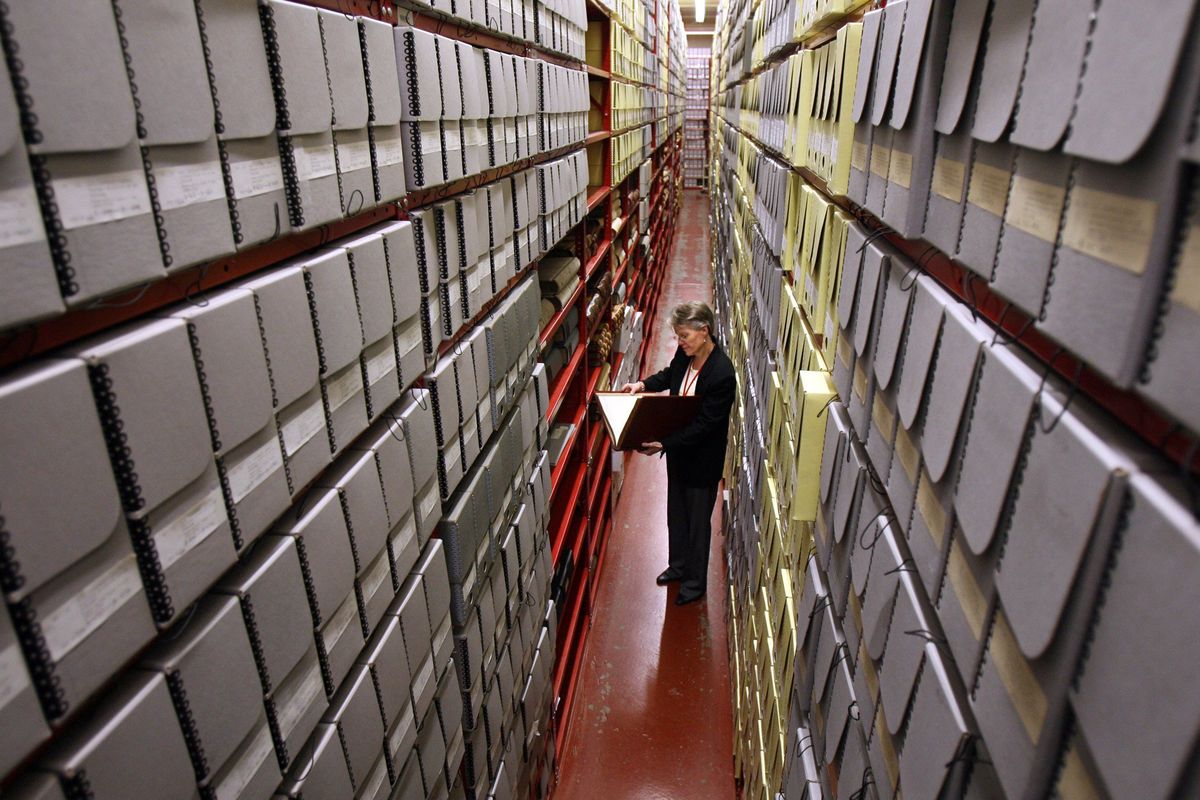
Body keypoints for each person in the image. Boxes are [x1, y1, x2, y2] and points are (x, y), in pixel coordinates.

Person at [620, 301, 735, 605]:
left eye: (684, 335)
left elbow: (705, 426)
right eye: (678, 336)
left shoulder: (721, 373)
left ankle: (695, 583)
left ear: (704, 330)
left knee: (697, 523)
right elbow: (669, 375)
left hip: (701, 459)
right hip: (680, 453)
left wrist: (665, 443)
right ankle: (679, 565)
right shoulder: (685, 356)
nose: (680, 342)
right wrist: (642, 385)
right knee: (677, 514)